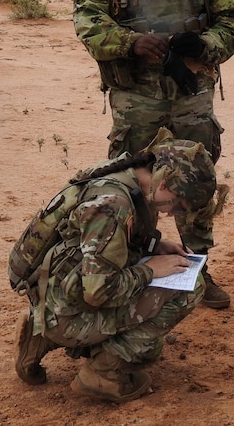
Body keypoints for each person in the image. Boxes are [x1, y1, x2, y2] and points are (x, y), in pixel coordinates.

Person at [73, 0, 234, 309]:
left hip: (190, 93)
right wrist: (130, 43)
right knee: (131, 183)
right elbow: (88, 20)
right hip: (137, 97)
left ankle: (198, 270)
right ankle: (130, 269)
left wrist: (205, 45)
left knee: (194, 180)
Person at [11, 130, 221, 402]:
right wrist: (150, 270)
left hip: (56, 295)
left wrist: (153, 245)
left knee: (148, 350)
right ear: (165, 184)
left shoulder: (127, 175)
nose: (172, 213)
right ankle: (101, 374)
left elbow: (102, 244)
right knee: (190, 287)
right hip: (71, 308)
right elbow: (99, 292)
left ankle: (42, 336)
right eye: (179, 205)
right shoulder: (112, 205)